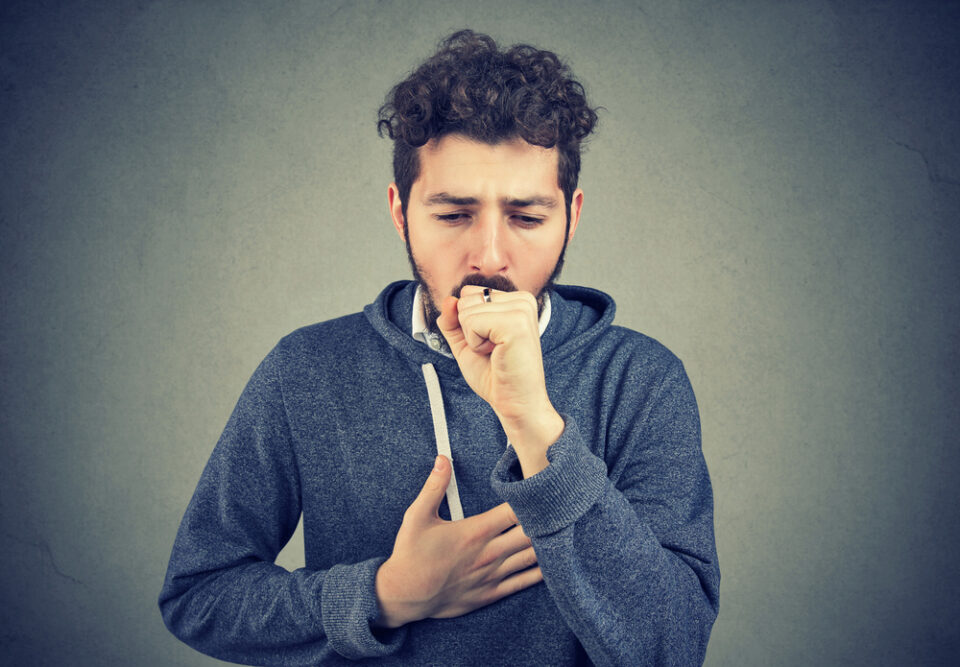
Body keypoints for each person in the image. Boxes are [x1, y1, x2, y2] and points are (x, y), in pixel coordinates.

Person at [159, 30, 720, 666]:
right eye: (453, 215)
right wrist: (383, 596)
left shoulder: (641, 380)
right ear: (401, 212)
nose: (489, 255)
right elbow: (197, 595)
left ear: (573, 215)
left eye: (527, 217)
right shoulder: (307, 370)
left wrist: (537, 430)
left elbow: (672, 649)